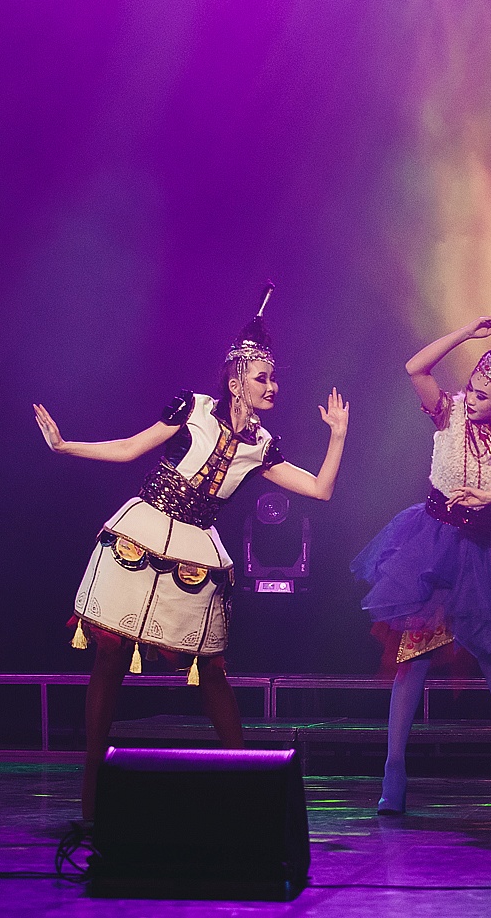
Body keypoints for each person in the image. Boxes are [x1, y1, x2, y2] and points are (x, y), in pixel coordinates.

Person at [34, 287, 349, 820]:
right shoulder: (193, 408)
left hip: (193, 551)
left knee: (211, 669)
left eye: (274, 379)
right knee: (110, 655)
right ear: (236, 381)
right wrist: (67, 446)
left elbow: (320, 490)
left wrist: (337, 436)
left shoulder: (262, 446)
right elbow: (130, 449)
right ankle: (91, 787)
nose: (273, 386)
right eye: (262, 378)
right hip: (142, 532)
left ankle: (248, 789)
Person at [354, 317, 491, 816]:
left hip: (481, 551)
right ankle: (394, 770)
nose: (472, 397)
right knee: (413, 659)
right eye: (473, 386)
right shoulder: (449, 411)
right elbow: (414, 367)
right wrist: (466, 333)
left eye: (484, 395)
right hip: (431, 544)